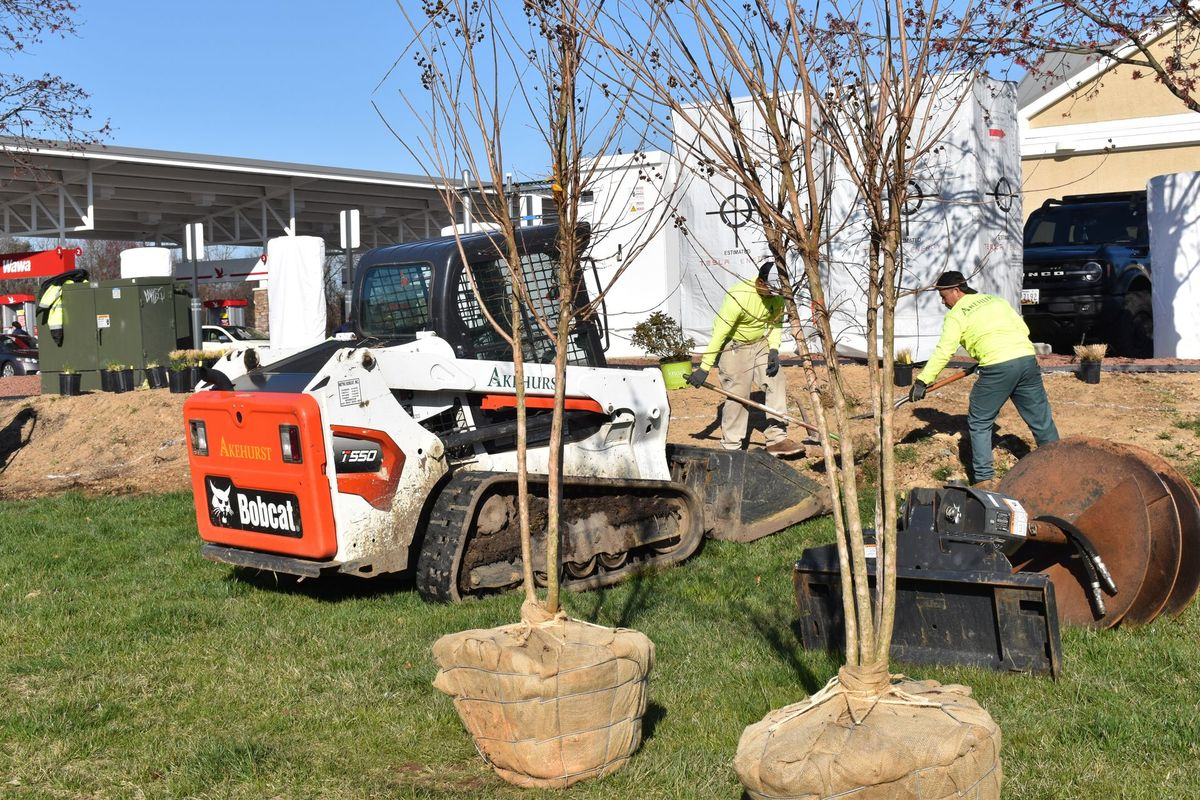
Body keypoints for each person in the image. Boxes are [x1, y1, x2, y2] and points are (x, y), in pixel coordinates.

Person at [910, 270, 1059, 487]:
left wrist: (923, 380)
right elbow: (1022, 329)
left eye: (943, 297)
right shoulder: (995, 301)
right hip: (1026, 360)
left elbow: (944, 351)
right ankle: (1059, 466)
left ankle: (983, 479)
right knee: (1041, 420)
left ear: (956, 291)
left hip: (998, 366)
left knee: (979, 421)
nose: (943, 303)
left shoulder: (956, 314)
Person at [687, 262, 803, 456]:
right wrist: (704, 368)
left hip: (760, 344)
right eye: (769, 289)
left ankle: (777, 439)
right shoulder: (739, 296)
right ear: (760, 281)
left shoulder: (777, 295)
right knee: (739, 393)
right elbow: (720, 334)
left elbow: (775, 324)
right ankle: (731, 447)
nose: (773, 294)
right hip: (734, 346)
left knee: (776, 380)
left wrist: (774, 350)